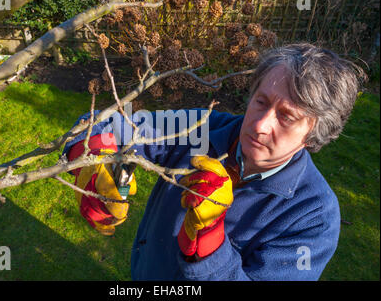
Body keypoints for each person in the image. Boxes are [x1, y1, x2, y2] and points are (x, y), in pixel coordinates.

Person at [62, 43, 365, 280]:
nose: (260, 125)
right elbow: (105, 124)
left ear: (314, 134)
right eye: (261, 102)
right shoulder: (201, 129)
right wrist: (87, 157)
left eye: (286, 117)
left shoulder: (313, 216)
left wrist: (209, 239)